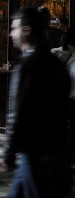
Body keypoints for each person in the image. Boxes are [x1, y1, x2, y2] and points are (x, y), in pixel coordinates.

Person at [1, 6, 73, 197]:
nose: (11, 33)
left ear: (27, 30)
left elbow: (18, 111)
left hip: (34, 155)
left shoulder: (26, 65)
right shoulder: (56, 65)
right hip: (57, 151)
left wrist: (9, 151)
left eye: (14, 28)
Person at [51, 28, 75, 163]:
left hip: (56, 98)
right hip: (71, 97)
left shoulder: (53, 53)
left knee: (58, 126)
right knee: (72, 128)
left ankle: (57, 153)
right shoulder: (74, 55)